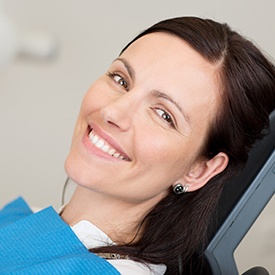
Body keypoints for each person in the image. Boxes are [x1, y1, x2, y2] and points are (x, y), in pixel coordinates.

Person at [0, 16, 274, 275]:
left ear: (199, 170)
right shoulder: (26, 219)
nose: (113, 112)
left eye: (163, 114)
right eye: (121, 79)